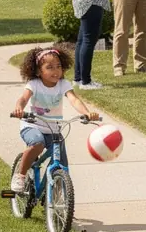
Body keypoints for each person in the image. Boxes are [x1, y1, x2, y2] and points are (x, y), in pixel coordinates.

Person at [9, 44, 100, 193]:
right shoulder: (34, 84)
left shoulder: (63, 84)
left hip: (53, 129)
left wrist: (87, 113)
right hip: (32, 126)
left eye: (58, 66)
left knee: (62, 163)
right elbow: (23, 99)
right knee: (37, 144)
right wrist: (19, 108)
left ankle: (59, 194)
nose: (56, 70)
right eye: (50, 67)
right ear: (38, 71)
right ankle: (20, 175)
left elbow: (74, 99)